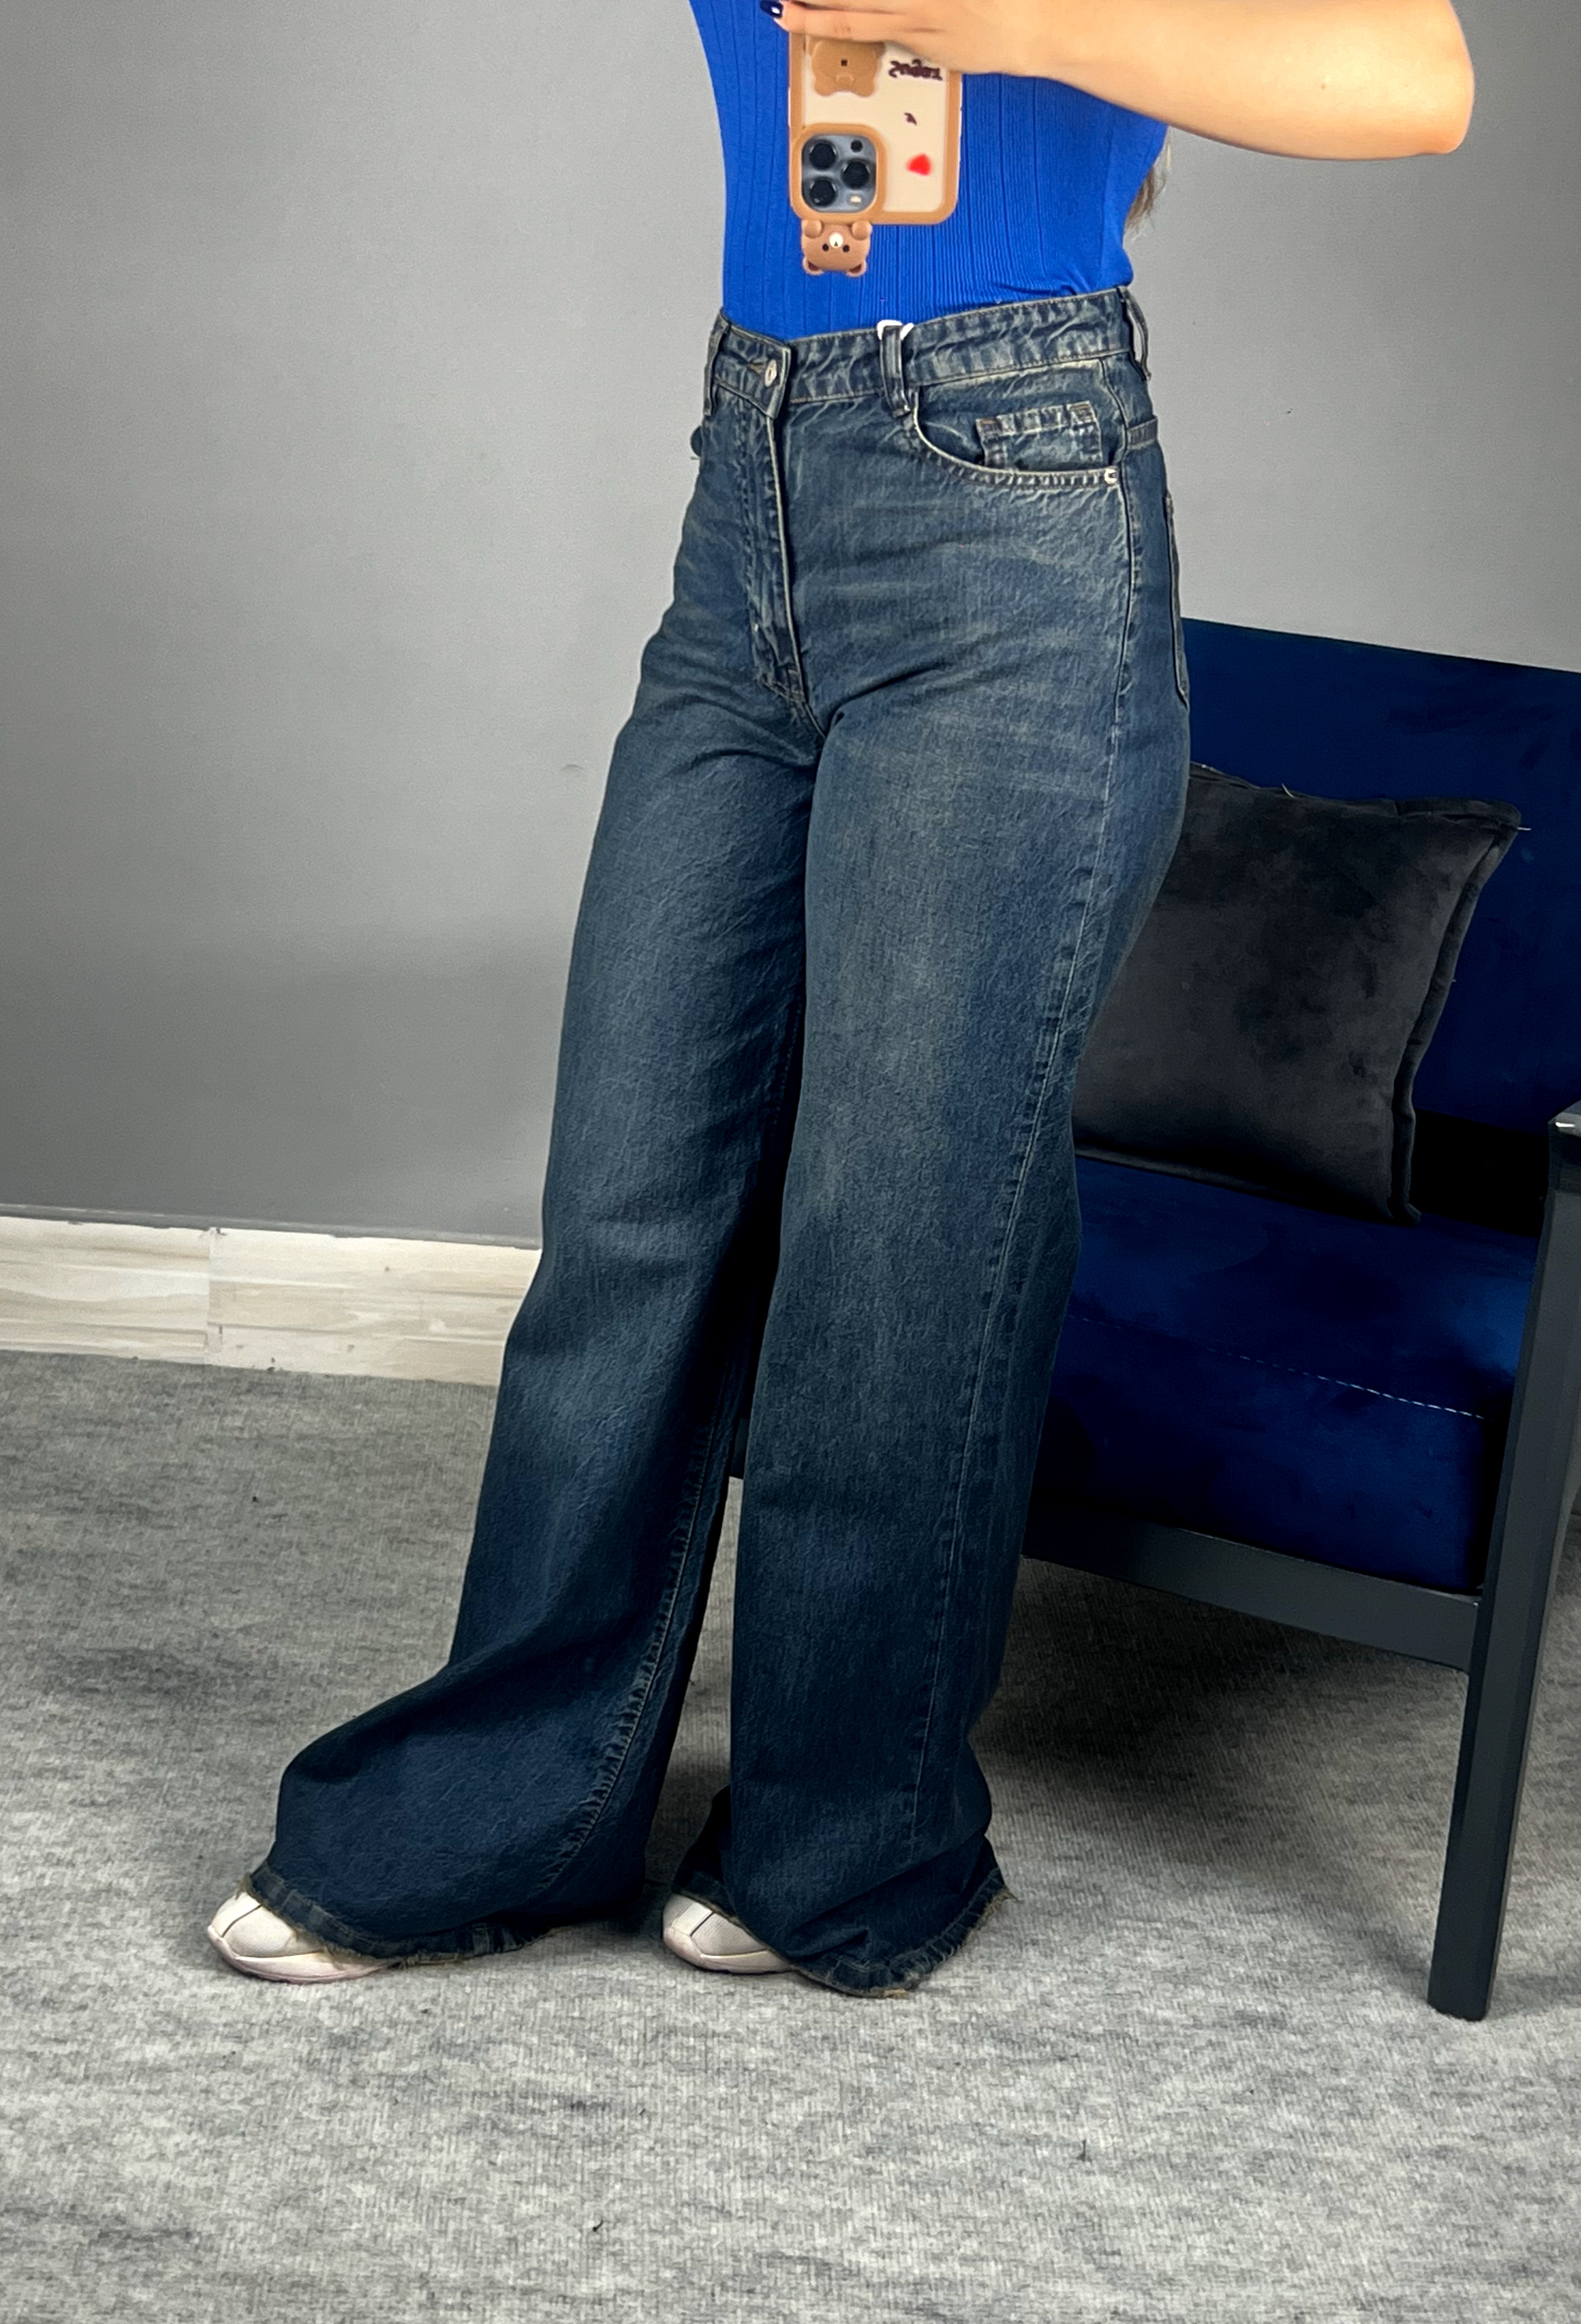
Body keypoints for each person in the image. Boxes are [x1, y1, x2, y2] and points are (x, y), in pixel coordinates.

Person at [207, 0, 1474, 1991]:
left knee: (903, 1230)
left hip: (1019, 497)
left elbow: (1420, 81)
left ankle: (854, 1833)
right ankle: (503, 1808)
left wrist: (1001, 17)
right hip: (757, 480)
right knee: (634, 1204)